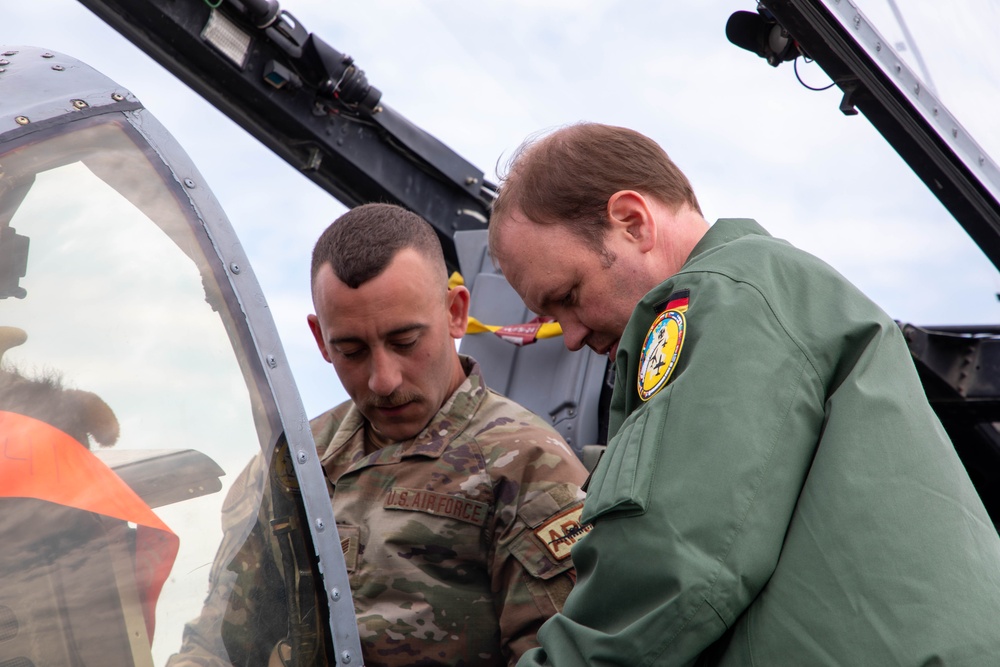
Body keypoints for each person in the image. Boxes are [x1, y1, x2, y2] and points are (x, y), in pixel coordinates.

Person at [488, 122, 1000, 666]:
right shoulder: (769, 292)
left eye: (569, 296)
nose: (568, 337)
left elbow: (677, 561)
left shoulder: (722, 298)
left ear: (632, 222)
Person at [169, 203, 589, 667]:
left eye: (405, 342)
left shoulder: (527, 465)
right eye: (351, 350)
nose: (383, 380)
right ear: (319, 339)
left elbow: (562, 655)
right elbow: (215, 647)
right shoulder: (293, 467)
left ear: (456, 313)